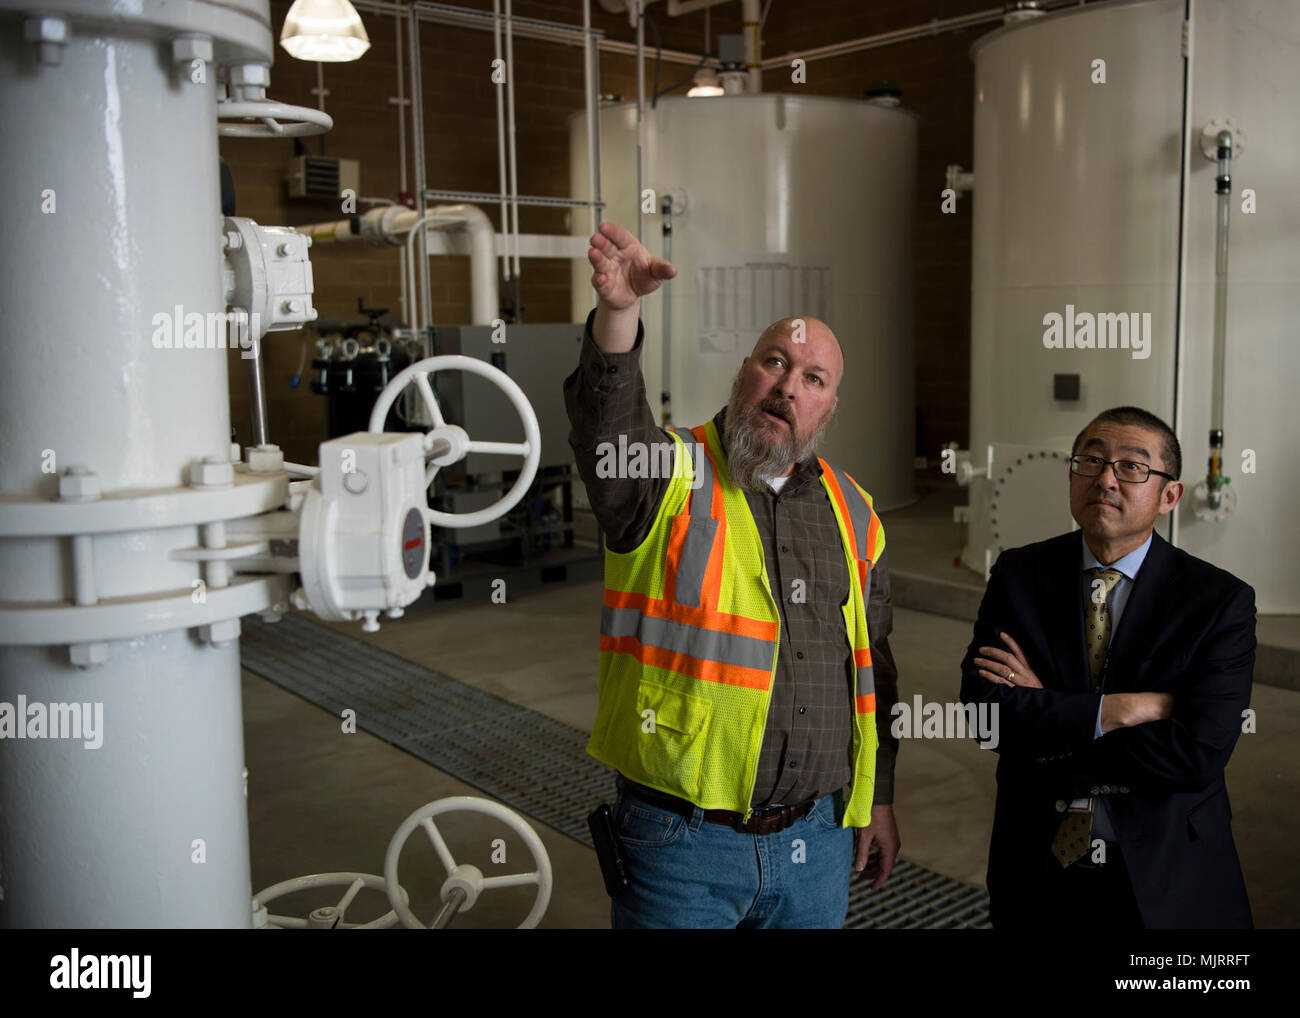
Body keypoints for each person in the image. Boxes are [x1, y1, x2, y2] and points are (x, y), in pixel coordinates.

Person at [563, 221, 902, 929]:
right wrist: (619, 314)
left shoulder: (855, 512)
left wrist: (878, 799)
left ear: (828, 407)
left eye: (812, 379)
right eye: (775, 363)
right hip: (681, 846)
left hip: (818, 839)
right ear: (744, 370)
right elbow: (608, 432)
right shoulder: (669, 472)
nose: (787, 388)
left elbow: (873, 669)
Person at [960, 406, 1255, 928]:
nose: (1105, 479)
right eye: (1090, 460)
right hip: (1036, 863)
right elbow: (986, 716)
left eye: (1132, 467)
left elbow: (1197, 754)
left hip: (1164, 871)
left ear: (1169, 495)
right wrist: (1119, 710)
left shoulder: (1218, 602)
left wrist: (1049, 709)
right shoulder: (1020, 574)